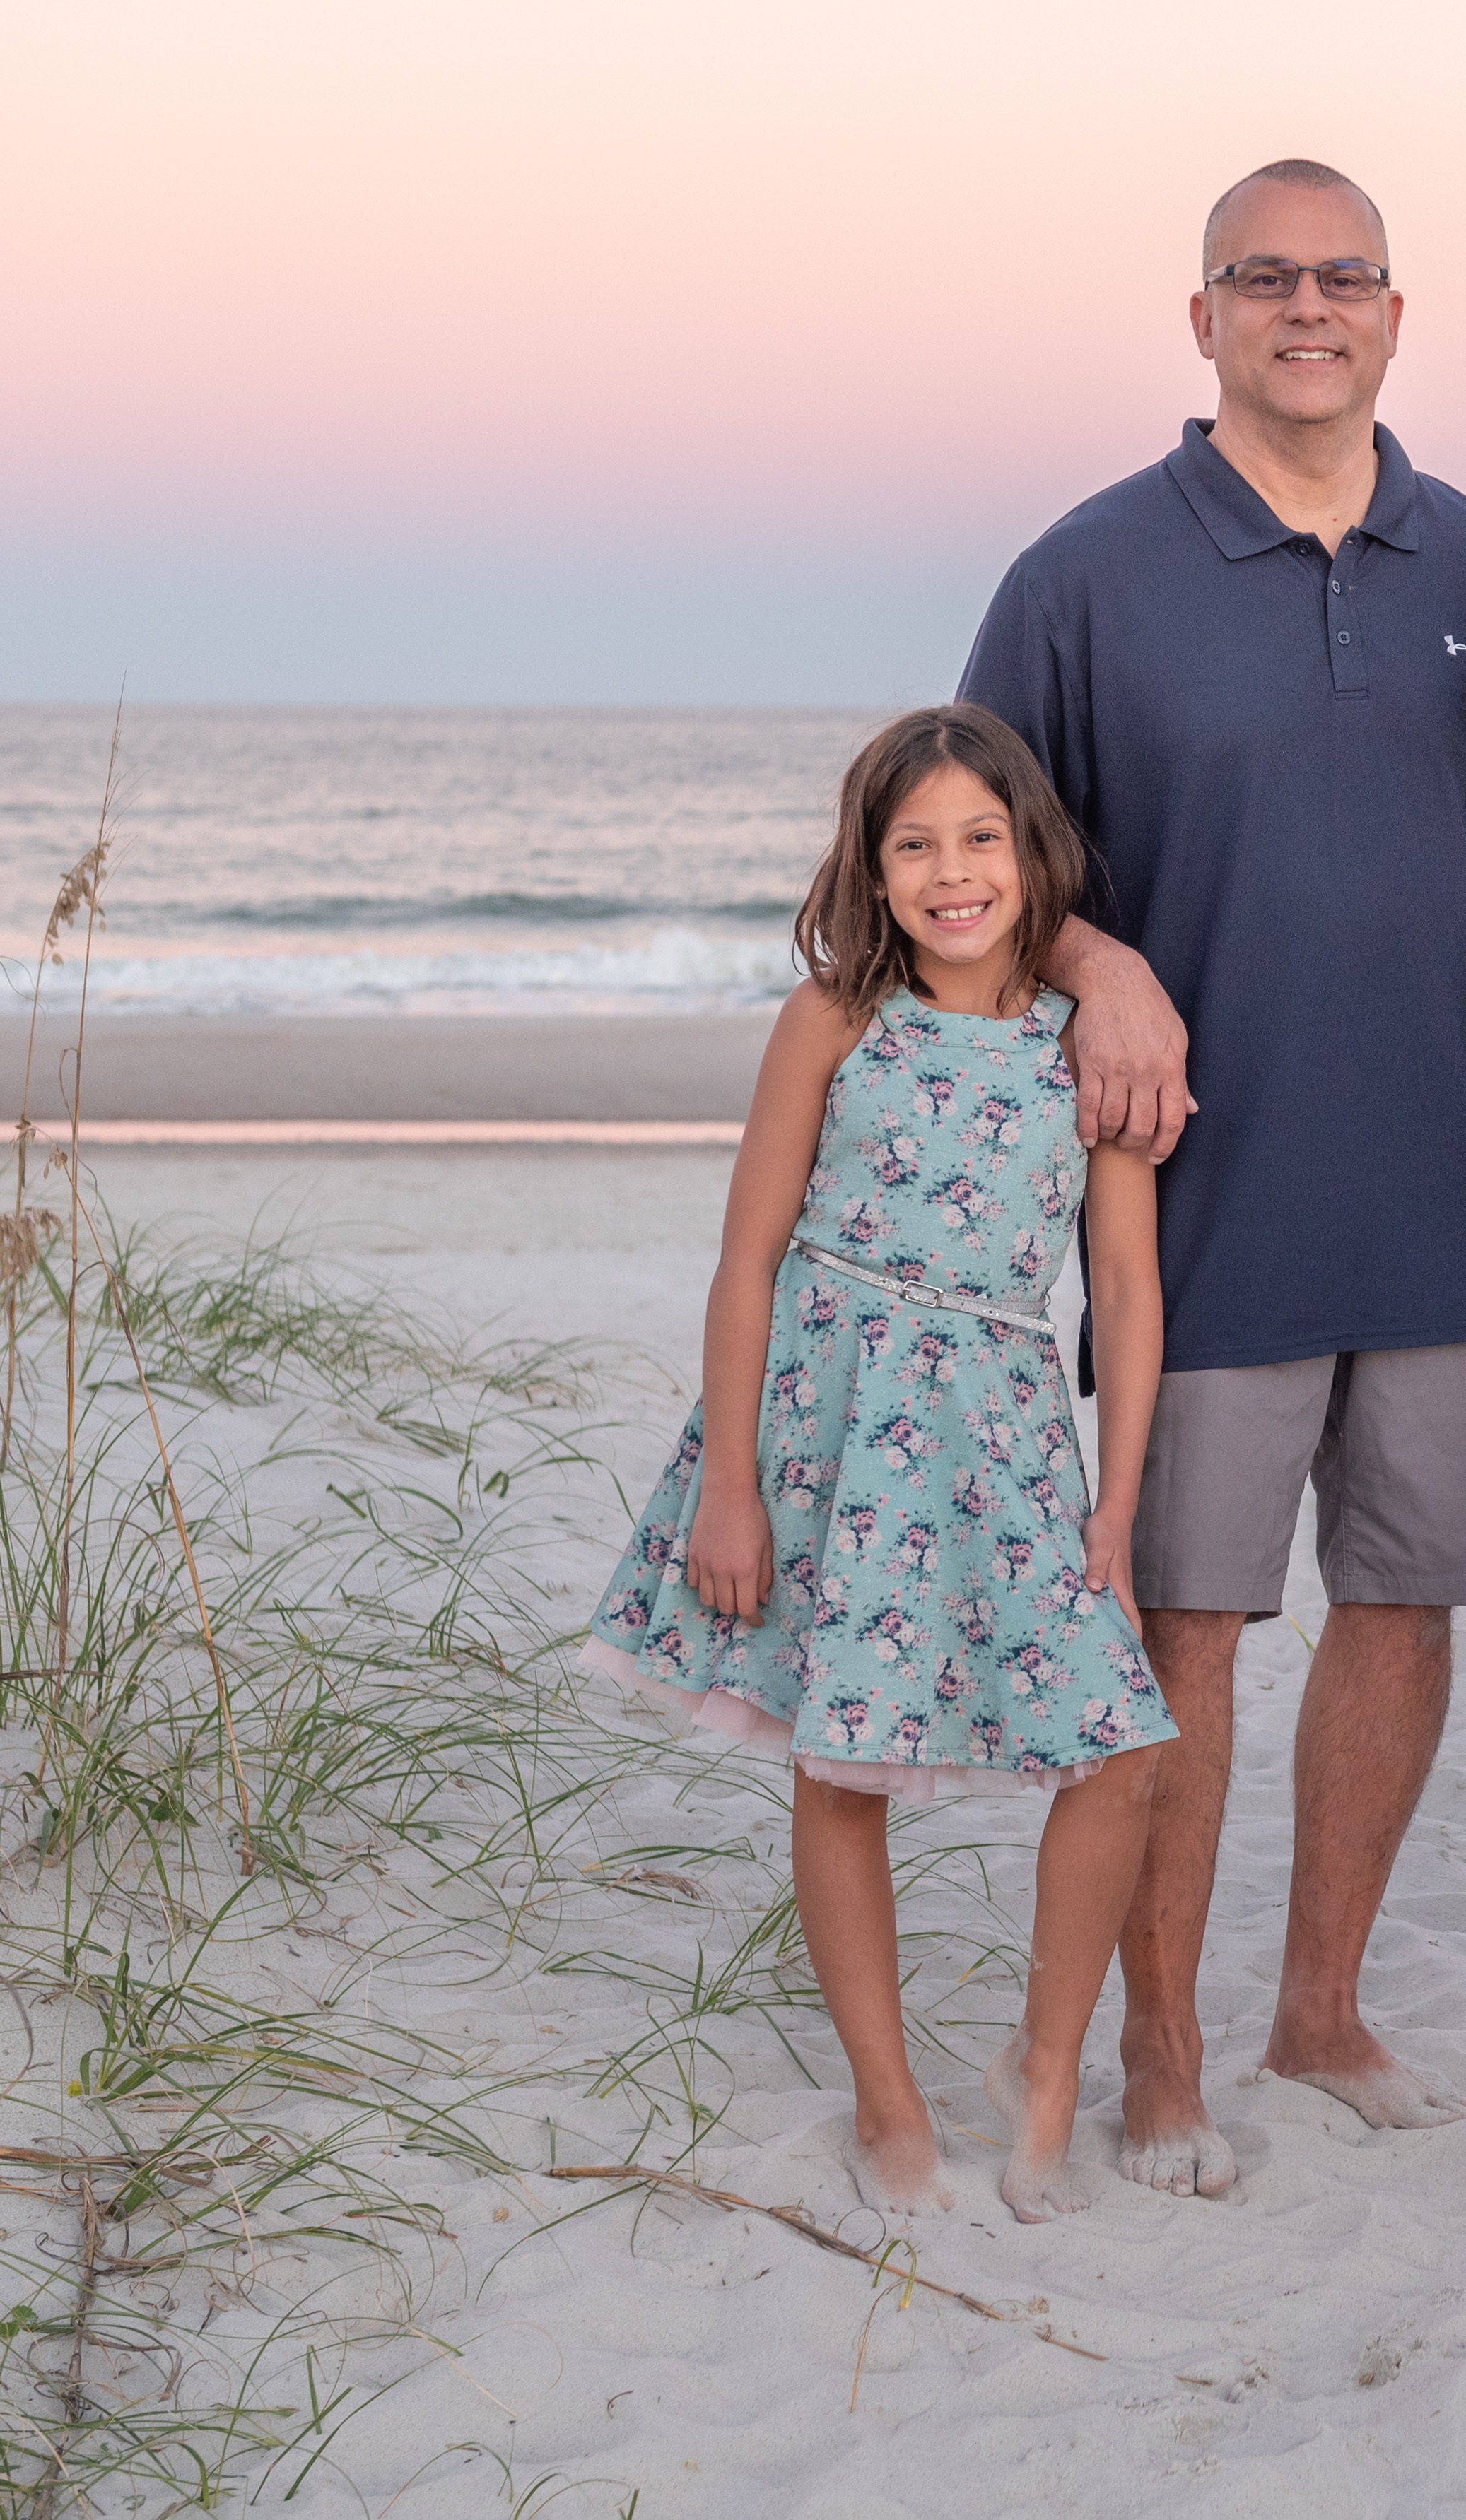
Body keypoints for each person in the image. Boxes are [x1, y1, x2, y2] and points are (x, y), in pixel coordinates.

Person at [957, 159, 1466, 2198]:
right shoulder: (1083, 572)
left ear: (1396, 312)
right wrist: (1096, 952)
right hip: (1194, 1212)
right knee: (1183, 1633)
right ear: (1196, 313)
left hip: (1463, 1205)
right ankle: (1165, 2052)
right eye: (1263, 276)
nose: (1308, 305)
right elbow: (967, 861)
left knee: (1400, 1613)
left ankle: (1321, 2006)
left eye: (1343, 276)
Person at [577, 704, 1173, 2225]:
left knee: (1116, 1744)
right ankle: (886, 2099)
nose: (950, 871)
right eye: (915, 844)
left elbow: (1125, 1282)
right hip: (821, 1418)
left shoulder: (1079, 1047)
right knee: (837, 1758)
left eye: (981, 837)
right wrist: (730, 1483)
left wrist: (1114, 1495)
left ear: (1034, 855)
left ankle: (1045, 2070)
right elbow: (747, 1257)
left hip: (1004, 1419)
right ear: (872, 864)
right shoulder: (833, 1019)